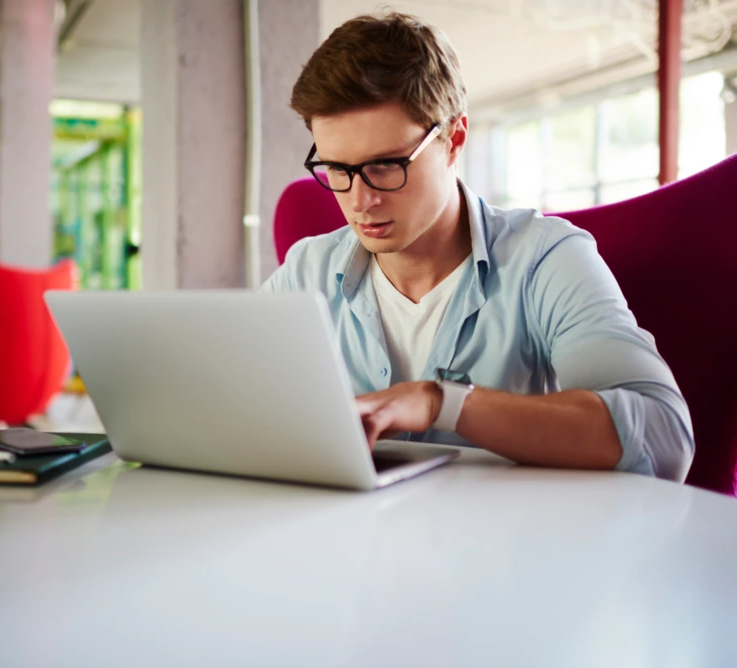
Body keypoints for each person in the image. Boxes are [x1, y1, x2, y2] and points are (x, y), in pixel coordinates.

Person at [261, 12, 693, 481]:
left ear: (454, 140)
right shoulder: (307, 271)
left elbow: (663, 436)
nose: (360, 200)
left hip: (505, 545)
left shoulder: (545, 259)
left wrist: (442, 404)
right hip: (349, 543)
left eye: (385, 165)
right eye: (337, 169)